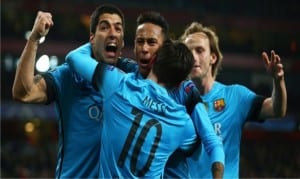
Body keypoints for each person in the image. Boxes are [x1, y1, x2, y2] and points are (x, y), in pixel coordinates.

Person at [66, 11, 224, 178]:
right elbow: (194, 147)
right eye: (140, 42)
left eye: (151, 42)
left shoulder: (121, 83)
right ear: (133, 45)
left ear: (161, 52)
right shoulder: (127, 73)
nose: (144, 48)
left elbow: (211, 142)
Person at [12, 4, 135, 178]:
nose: (112, 33)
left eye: (118, 28)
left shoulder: (133, 80)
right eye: (104, 27)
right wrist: (34, 38)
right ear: (92, 38)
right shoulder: (69, 74)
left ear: (122, 40)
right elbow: (24, 92)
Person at [67, 39, 199, 177]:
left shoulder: (117, 83)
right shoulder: (182, 122)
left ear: (153, 60)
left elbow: (74, 57)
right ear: (179, 85)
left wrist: (100, 39)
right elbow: (194, 150)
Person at [180, 21, 287, 178]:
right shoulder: (174, 101)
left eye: (199, 50)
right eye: (188, 52)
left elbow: (277, 109)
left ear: (213, 57)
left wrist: (278, 81)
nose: (193, 57)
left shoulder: (235, 96)